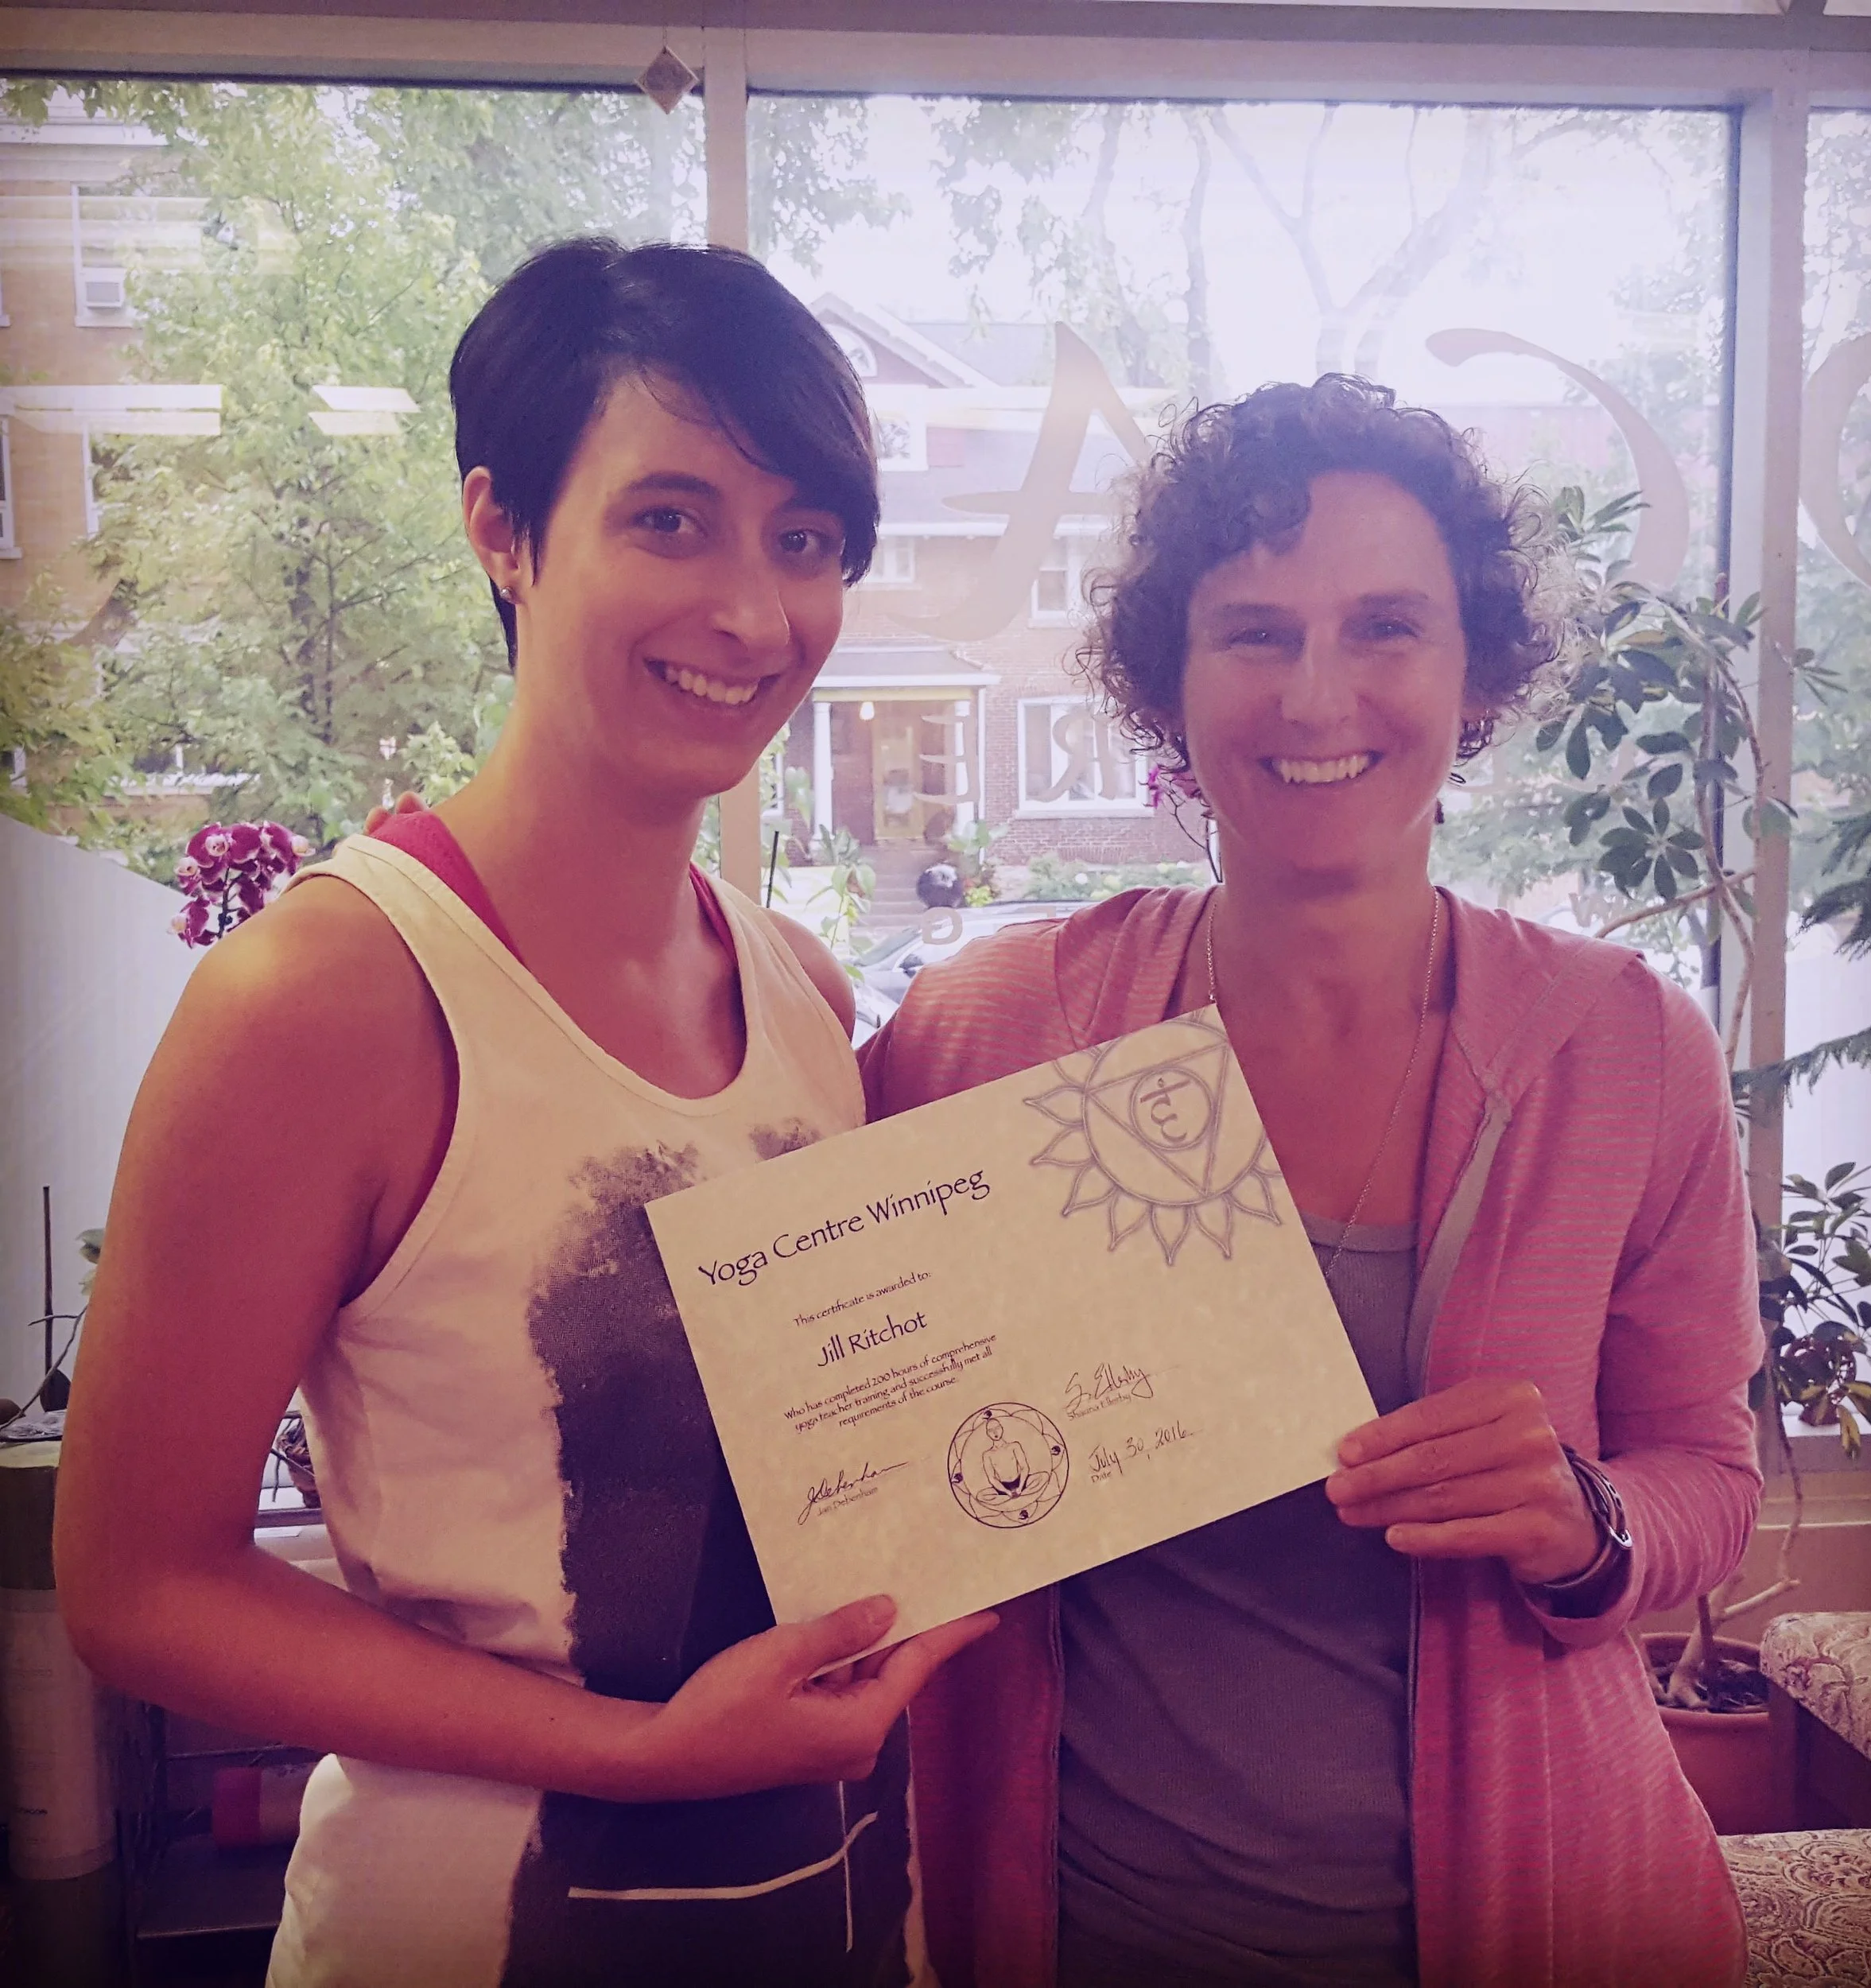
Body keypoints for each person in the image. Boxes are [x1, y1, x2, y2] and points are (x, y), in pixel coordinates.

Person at [56, 238, 989, 1988]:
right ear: (501, 527)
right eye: (669, 518)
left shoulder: (799, 985)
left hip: (842, 1916)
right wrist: (637, 1749)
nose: (751, 608)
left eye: (804, 539)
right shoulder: (326, 999)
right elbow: (132, 1582)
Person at [858, 376, 1764, 1987]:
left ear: (1472, 667)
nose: (1316, 689)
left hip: (1551, 1923)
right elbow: (844, 1410)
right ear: (1170, 681)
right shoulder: (989, 1032)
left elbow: (1703, 1465)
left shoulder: (1621, 1048)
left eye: (1384, 626)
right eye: (1254, 631)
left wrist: (1584, 1520)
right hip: (1081, 1932)